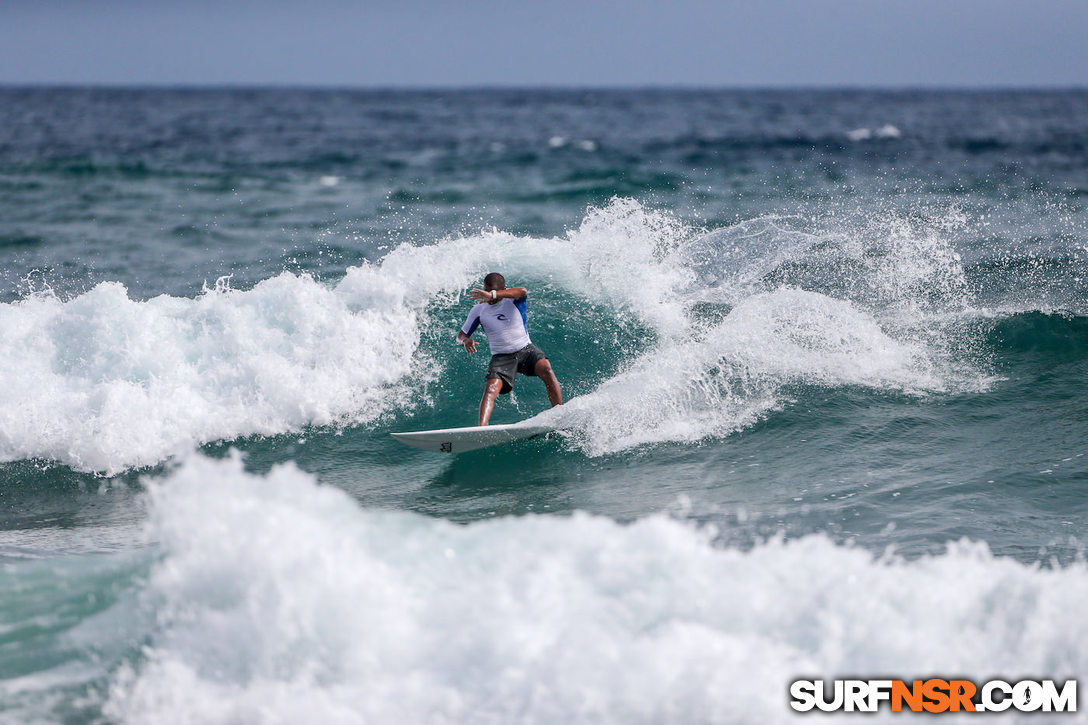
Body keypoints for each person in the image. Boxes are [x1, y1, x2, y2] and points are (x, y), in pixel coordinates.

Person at [456, 272, 562, 425]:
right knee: (491, 389)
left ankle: (559, 415)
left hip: (526, 350)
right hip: (501, 357)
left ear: (502, 289)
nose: (489, 298)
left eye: (492, 292)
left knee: (546, 368)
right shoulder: (479, 310)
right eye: (486, 290)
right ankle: (481, 429)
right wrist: (466, 341)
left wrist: (493, 295)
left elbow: (523, 291)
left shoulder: (513, 300)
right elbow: (460, 336)